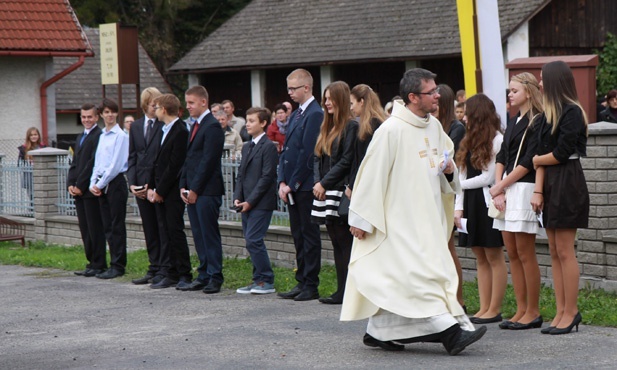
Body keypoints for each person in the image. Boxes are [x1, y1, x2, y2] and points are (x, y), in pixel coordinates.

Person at [341, 68, 486, 355]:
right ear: (412, 97)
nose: (437, 96)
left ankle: (380, 331)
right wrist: (361, 219)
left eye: (436, 90)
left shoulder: (434, 127)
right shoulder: (391, 130)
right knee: (421, 276)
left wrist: (449, 171)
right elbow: (371, 176)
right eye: (430, 92)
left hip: (427, 216)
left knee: (412, 276)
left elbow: (447, 166)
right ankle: (451, 332)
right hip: (399, 220)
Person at [532, 61, 590, 335]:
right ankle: (560, 311)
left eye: (542, 78)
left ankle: (572, 311)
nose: (539, 83)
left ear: (554, 81)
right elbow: (541, 160)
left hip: (568, 181)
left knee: (565, 251)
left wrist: (536, 159)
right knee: (554, 251)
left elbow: (561, 154)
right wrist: (538, 190)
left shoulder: (572, 112)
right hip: (552, 183)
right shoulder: (546, 115)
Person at [489, 72, 543, 330]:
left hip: (523, 187)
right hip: (507, 189)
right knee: (512, 252)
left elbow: (528, 161)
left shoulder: (537, 120)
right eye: (509, 91)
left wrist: (501, 185)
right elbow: (502, 156)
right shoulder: (513, 120)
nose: (509, 95)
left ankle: (532, 311)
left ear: (529, 92)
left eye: (514, 90)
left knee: (525, 252)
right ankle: (521, 308)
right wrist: (498, 190)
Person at [454, 94, 506, 324]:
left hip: (487, 202)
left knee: (494, 255)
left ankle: (494, 308)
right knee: (479, 256)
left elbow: (488, 178)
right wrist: (458, 208)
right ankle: (484, 308)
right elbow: (461, 173)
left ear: (478, 114)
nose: (463, 117)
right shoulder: (468, 140)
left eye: (467, 112)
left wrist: (456, 185)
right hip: (469, 203)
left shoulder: (497, 140)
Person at [277, 68, 324, 302]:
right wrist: (281, 180)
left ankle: (311, 284)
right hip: (292, 185)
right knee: (297, 235)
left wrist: (292, 183)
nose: (290, 92)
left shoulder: (315, 113)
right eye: (288, 88)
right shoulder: (297, 114)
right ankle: (301, 280)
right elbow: (287, 150)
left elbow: (308, 153)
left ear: (307, 88)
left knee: (309, 235)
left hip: (304, 185)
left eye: (294, 88)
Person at [311, 81, 358, 305]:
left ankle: (349, 291)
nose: (327, 103)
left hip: (339, 190)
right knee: (335, 241)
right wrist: (317, 183)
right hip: (325, 190)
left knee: (345, 241)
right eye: (325, 99)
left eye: (330, 98)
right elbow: (316, 158)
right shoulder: (326, 126)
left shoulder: (351, 126)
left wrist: (325, 183)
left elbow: (347, 160)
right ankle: (342, 290)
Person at [179, 85, 225, 294]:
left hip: (207, 190)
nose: (187, 106)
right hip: (193, 190)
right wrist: (183, 185)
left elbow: (208, 160)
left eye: (191, 103)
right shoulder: (195, 125)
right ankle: (204, 273)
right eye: (187, 102)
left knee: (209, 234)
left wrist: (195, 188)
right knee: (198, 234)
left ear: (203, 102)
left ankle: (215, 276)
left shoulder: (212, 126)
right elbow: (189, 160)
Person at [147, 93, 193, 289]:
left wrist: (161, 190)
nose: (154, 111)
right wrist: (150, 187)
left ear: (164, 109)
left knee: (174, 231)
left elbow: (174, 165)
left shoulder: (180, 130)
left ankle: (183, 272)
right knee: (163, 230)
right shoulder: (162, 129)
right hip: (159, 189)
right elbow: (156, 161)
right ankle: (168, 270)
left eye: (156, 107)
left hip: (171, 191)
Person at [233, 107, 279, 295]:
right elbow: (241, 175)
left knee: (254, 239)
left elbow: (267, 177)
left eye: (252, 121)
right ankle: (257, 279)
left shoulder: (268, 146)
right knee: (250, 240)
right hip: (246, 203)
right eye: (247, 120)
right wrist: (238, 196)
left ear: (263, 123)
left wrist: (250, 201)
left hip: (261, 203)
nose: (248, 124)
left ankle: (266, 279)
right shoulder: (247, 146)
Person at [127, 87, 165, 286]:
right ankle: (153, 266)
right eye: (153, 104)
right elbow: (132, 156)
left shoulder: (163, 125)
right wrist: (132, 184)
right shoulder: (136, 126)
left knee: (160, 226)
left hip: (157, 184)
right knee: (149, 227)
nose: (156, 107)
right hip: (140, 184)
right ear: (145, 105)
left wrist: (152, 184)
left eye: (158, 103)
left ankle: (163, 268)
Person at [89, 98, 129, 279]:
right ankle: (112, 263)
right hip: (102, 183)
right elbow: (98, 162)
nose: (110, 115)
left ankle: (118, 265)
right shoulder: (102, 136)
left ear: (117, 113)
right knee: (108, 226)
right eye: (106, 112)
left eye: (113, 111)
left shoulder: (121, 136)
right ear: (101, 115)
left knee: (117, 225)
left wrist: (100, 183)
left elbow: (115, 165)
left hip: (115, 183)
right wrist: (92, 183)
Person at [436, 84, 467, 311]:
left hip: (448, 193)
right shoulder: (433, 126)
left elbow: (451, 160)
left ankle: (458, 300)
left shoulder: (455, 128)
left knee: (448, 248)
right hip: (432, 194)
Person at [69, 104, 105, 277]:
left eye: (89, 117)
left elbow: (92, 163)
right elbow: (74, 162)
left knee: (94, 228)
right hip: (78, 191)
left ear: (96, 117)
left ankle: (99, 263)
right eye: (83, 117)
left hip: (89, 190)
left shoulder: (99, 136)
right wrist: (70, 183)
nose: (86, 120)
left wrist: (80, 186)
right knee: (85, 228)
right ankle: (91, 262)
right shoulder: (80, 136)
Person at [347, 84, 385, 199]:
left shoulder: (371, 126)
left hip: (368, 185)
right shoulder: (374, 123)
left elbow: (363, 159)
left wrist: (352, 185)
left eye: (352, 103)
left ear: (361, 102)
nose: (351, 108)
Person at [17, 127, 45, 199]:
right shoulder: (23, 149)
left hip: (42, 176)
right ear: (28, 137)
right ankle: (32, 210)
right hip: (29, 176)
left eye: (35, 134)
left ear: (38, 136)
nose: (33, 137)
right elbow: (20, 164)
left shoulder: (43, 147)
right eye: (31, 135)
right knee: (32, 197)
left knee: (42, 196)